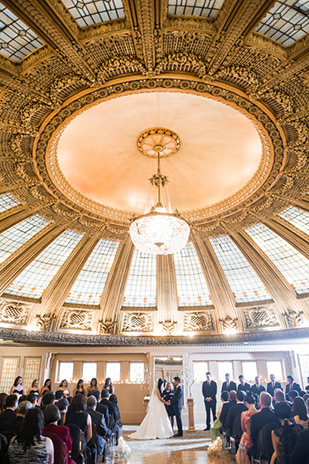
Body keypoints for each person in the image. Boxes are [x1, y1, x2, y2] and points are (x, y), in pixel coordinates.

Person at [236, 393, 258, 464]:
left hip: (247, 438)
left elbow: (243, 429)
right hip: (256, 438)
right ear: (254, 402)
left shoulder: (244, 414)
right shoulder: (258, 413)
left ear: (246, 403)